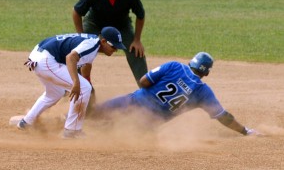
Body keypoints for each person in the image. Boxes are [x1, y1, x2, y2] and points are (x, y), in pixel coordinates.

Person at [93, 52, 260, 136]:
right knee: (115, 133)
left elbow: (143, 81)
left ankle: (68, 123)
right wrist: (245, 131)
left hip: (132, 103)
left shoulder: (175, 66)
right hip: (148, 124)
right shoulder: (203, 92)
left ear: (191, 62)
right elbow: (223, 116)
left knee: (95, 114)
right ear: (206, 73)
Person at [17, 26, 126, 139]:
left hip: (39, 56)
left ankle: (26, 122)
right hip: (46, 61)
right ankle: (72, 131)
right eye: (113, 46)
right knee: (84, 88)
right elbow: (71, 58)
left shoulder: (93, 43)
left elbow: (86, 65)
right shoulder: (92, 45)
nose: (115, 50)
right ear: (103, 41)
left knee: (55, 93)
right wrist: (77, 83)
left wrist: (87, 83)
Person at [72, 0, 147, 87]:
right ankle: (73, 84)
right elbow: (76, 12)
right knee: (80, 48)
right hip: (94, 23)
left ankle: (146, 88)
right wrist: (80, 36)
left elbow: (141, 16)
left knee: (136, 50)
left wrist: (137, 40)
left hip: (121, 25)